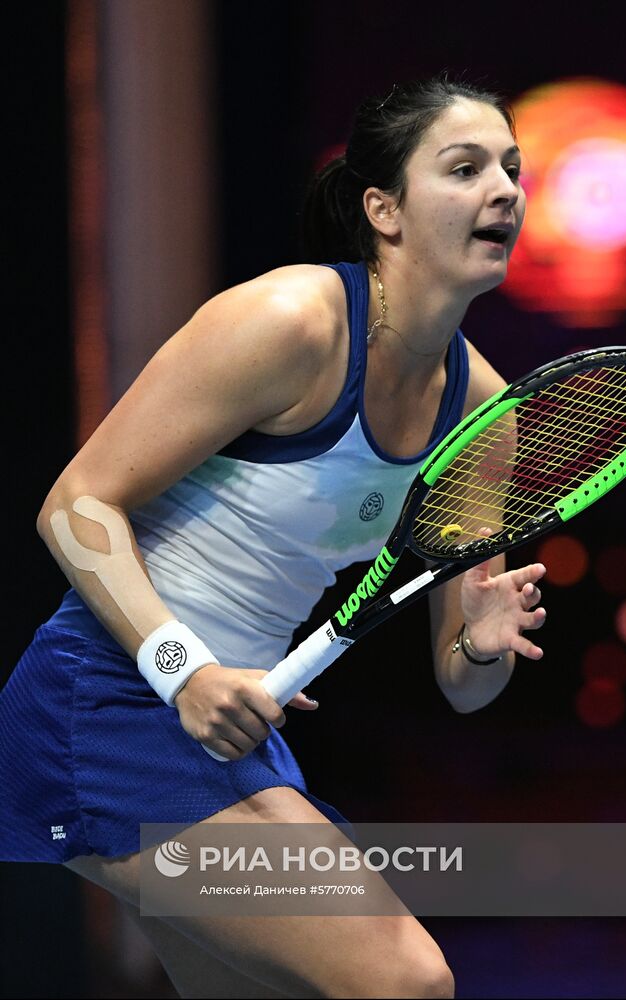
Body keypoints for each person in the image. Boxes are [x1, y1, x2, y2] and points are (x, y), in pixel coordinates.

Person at [0, 74, 547, 998]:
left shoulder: (482, 414)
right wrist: (184, 670)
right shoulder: (290, 322)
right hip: (111, 700)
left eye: (512, 169)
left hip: (233, 728)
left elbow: (462, 684)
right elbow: (76, 503)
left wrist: (483, 645)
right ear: (383, 210)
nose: (504, 191)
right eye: (465, 169)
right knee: (407, 982)